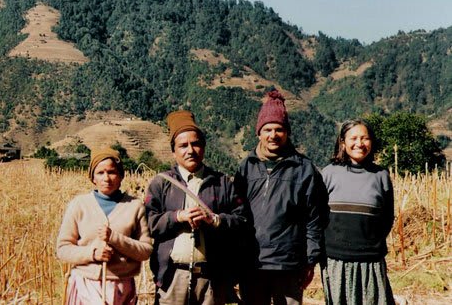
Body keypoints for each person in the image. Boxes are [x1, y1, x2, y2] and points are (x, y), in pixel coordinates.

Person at [144, 110, 251, 305]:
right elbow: (148, 224)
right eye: (183, 145)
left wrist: (215, 220)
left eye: (195, 144)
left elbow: (242, 222)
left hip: (211, 279)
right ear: (173, 151)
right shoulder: (161, 183)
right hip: (173, 277)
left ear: (204, 147)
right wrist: (177, 217)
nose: (190, 150)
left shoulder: (222, 182)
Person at [234, 89, 329, 305]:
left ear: (287, 132)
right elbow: (236, 215)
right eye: (267, 129)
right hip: (252, 262)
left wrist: (310, 260)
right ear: (258, 133)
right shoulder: (246, 167)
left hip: (289, 263)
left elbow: (316, 219)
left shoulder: (304, 169)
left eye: (279, 129)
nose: (273, 135)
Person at [56, 147, 153, 305]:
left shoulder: (135, 206)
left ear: (121, 175)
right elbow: (63, 249)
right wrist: (93, 253)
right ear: (92, 177)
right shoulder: (79, 205)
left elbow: (145, 251)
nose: (106, 178)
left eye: (112, 172)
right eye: (100, 173)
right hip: (85, 285)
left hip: (121, 289)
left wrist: (115, 238)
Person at [320, 119, 395, 305]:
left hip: (370, 260)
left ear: (372, 142)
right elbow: (318, 215)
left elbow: (386, 218)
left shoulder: (381, 176)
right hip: (336, 260)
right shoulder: (329, 173)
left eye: (365, 138)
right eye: (353, 138)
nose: (359, 144)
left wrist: (370, 242)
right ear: (342, 143)